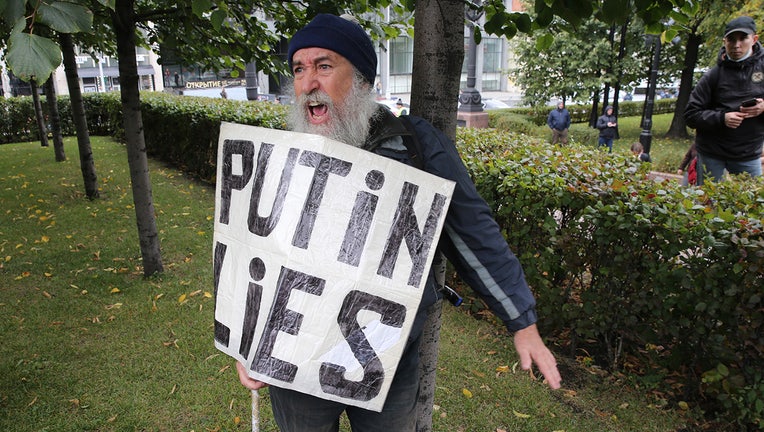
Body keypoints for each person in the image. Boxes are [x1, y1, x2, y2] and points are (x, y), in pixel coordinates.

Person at [234, 13, 561, 432]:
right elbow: (254, 254)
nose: (308, 82)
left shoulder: (415, 146)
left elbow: (473, 235)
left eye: (324, 65)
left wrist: (522, 322)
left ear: (363, 81)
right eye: (299, 69)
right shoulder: (281, 152)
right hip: (295, 360)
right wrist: (250, 344)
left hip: (385, 356)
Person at [684, 16, 764, 185]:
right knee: (706, 204)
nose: (736, 45)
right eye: (731, 40)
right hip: (712, 153)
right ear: (724, 41)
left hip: (748, 154)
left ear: (754, 39)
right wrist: (722, 118)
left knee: (752, 206)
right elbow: (691, 114)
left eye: (743, 39)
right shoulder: (713, 75)